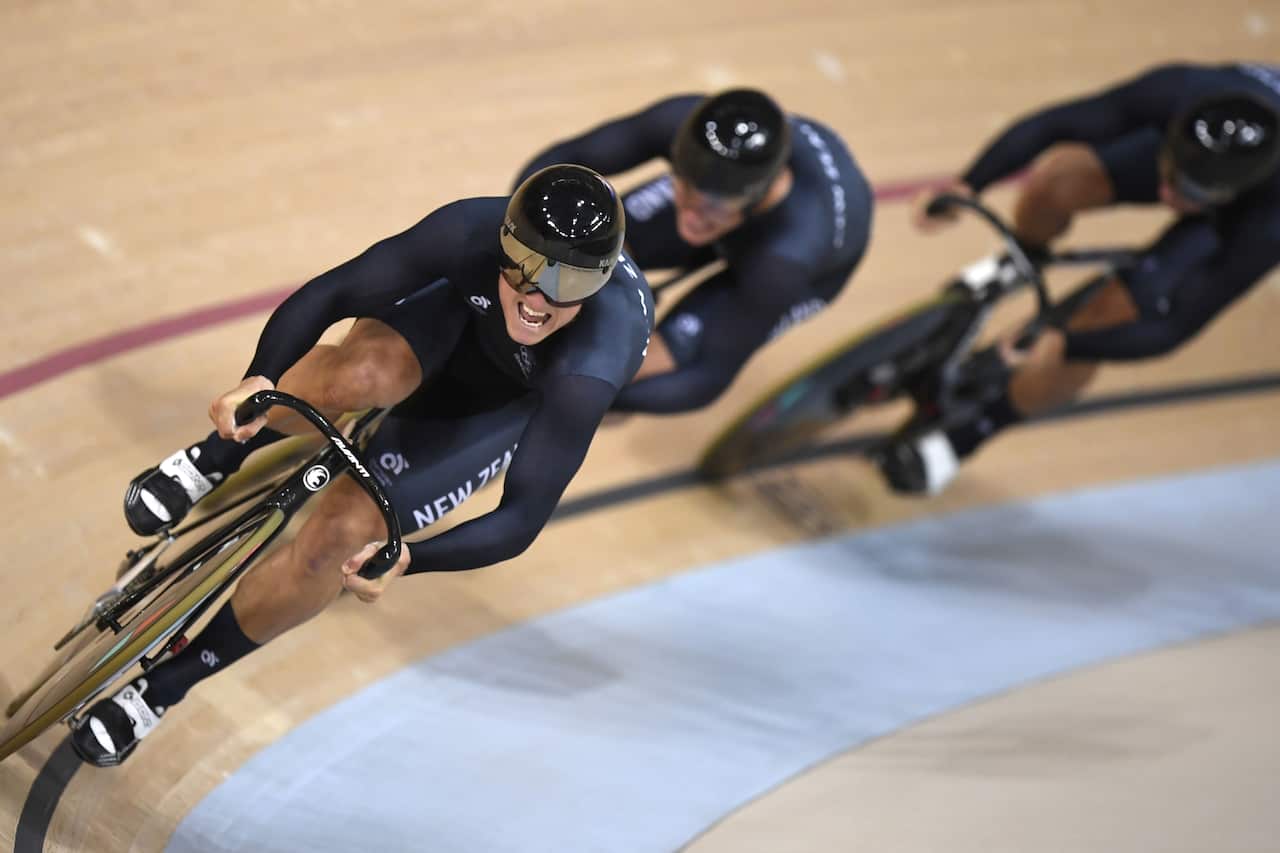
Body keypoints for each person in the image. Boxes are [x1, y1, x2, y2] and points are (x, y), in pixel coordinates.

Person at [72, 165, 653, 766]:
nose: (536, 297)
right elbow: (336, 292)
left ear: (600, 280)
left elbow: (523, 517)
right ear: (504, 240)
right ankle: (217, 454)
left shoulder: (592, 363)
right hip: (440, 325)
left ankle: (164, 686)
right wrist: (259, 377)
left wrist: (411, 558)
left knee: (340, 540)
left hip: (491, 406)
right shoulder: (469, 228)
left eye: (566, 282)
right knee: (364, 376)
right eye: (526, 266)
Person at [881, 62, 1280, 495]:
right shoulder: (1180, 89)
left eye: (1192, 193)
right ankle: (1021, 259)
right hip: (1199, 160)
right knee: (1056, 180)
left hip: (1238, 219)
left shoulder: (1268, 223)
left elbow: (1175, 327)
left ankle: (968, 436)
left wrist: (1068, 343)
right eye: (1171, 177)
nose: (1169, 196)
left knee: (1111, 319)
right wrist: (970, 183)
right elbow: (1053, 125)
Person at [513, 88, 873, 414]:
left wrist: (591, 394)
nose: (691, 217)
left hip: (805, 266)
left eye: (712, 207)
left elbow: (704, 378)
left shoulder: (784, 261)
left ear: (761, 192)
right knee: (595, 241)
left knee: (665, 355)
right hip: (737, 205)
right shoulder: (683, 125)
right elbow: (566, 159)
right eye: (683, 188)